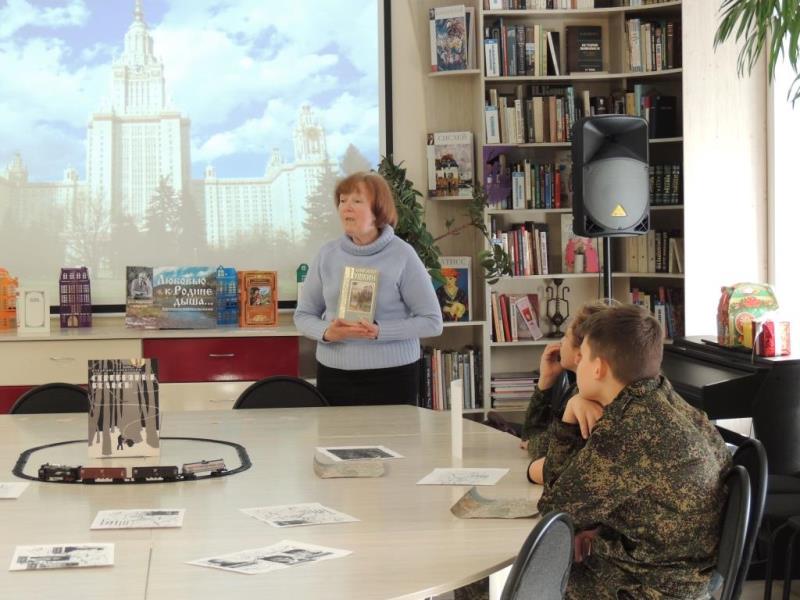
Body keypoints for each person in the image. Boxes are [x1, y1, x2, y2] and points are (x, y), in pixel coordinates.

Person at [537, 304, 731, 599]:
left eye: (583, 356)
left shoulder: (627, 428)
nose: (578, 362)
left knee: (499, 581)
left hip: (649, 587)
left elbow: (554, 511)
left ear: (598, 368)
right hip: (686, 574)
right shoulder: (669, 402)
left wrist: (569, 418)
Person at [294, 171, 443, 406]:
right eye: (342, 200)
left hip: (394, 375)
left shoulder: (403, 254)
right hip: (335, 375)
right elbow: (303, 315)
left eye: (357, 201)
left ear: (378, 210)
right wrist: (327, 332)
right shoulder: (327, 254)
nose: (346, 207)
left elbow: (432, 322)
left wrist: (379, 331)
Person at [522, 300, 616, 484]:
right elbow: (532, 437)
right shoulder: (578, 388)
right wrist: (546, 381)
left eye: (565, 336)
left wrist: (532, 450)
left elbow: (544, 451)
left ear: (580, 353)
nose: (560, 343)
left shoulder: (590, 397)